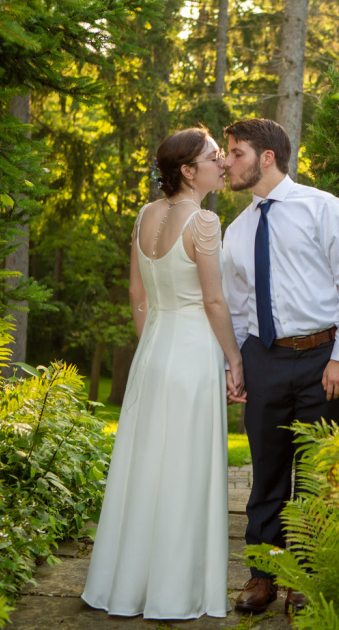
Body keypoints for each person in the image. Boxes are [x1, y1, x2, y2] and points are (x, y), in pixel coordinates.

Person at [81, 127, 243, 620]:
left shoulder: (145, 216)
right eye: (214, 158)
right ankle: (174, 594)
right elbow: (214, 301)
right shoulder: (204, 223)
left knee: (146, 468)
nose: (222, 164)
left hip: (153, 351)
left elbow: (138, 297)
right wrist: (234, 359)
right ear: (188, 171)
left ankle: (127, 586)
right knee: (185, 469)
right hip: (193, 355)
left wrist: (153, 340)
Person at [220, 118, 339, 617]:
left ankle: (306, 577)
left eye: (235, 153)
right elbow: (239, 305)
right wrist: (237, 364)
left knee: (316, 476)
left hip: (320, 361)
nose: (226, 162)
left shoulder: (322, 208)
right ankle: (262, 575)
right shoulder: (237, 230)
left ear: (266, 157)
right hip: (263, 359)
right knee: (265, 472)